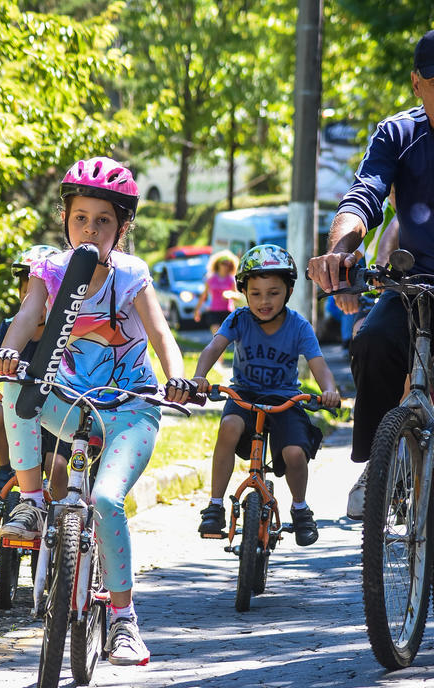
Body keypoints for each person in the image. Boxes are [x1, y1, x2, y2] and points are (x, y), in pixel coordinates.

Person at [0, 156, 195, 666]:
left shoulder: (131, 275)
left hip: (129, 409)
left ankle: (124, 620)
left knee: (105, 500)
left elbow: (161, 333)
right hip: (66, 401)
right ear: (65, 219)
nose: (90, 229)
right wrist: (8, 352)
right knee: (13, 386)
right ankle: (31, 502)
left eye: (103, 220)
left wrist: (178, 378)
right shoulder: (50, 271)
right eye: (80, 217)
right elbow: (27, 317)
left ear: (122, 228)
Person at [307, 30, 434, 520]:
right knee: (372, 339)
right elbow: (364, 196)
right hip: (415, 285)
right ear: (416, 83)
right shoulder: (398, 134)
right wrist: (339, 251)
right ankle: (384, 462)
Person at [192, 244, 340, 547]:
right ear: (244, 293)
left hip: (285, 398)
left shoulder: (299, 326)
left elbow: (318, 364)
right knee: (229, 427)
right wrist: (199, 377)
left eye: (273, 293)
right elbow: (214, 347)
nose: (264, 301)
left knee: (295, 454)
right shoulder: (238, 319)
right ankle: (215, 505)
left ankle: (300, 509)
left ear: (288, 292)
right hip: (244, 393)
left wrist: (329, 390)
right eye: (256, 293)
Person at [0, 245, 70, 504]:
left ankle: (64, 517)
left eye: (43, 294)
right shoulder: (10, 327)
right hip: (20, 412)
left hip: (57, 413)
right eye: (27, 292)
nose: (33, 300)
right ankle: (4, 469)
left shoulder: (65, 332)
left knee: (56, 469)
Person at [193, 250, 242, 334]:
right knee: (217, 334)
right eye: (224, 263)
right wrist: (197, 310)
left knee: (226, 336)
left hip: (227, 312)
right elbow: (204, 295)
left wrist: (230, 294)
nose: (226, 266)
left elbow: (238, 296)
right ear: (217, 264)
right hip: (214, 311)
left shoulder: (231, 279)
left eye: (228, 264)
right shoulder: (211, 278)